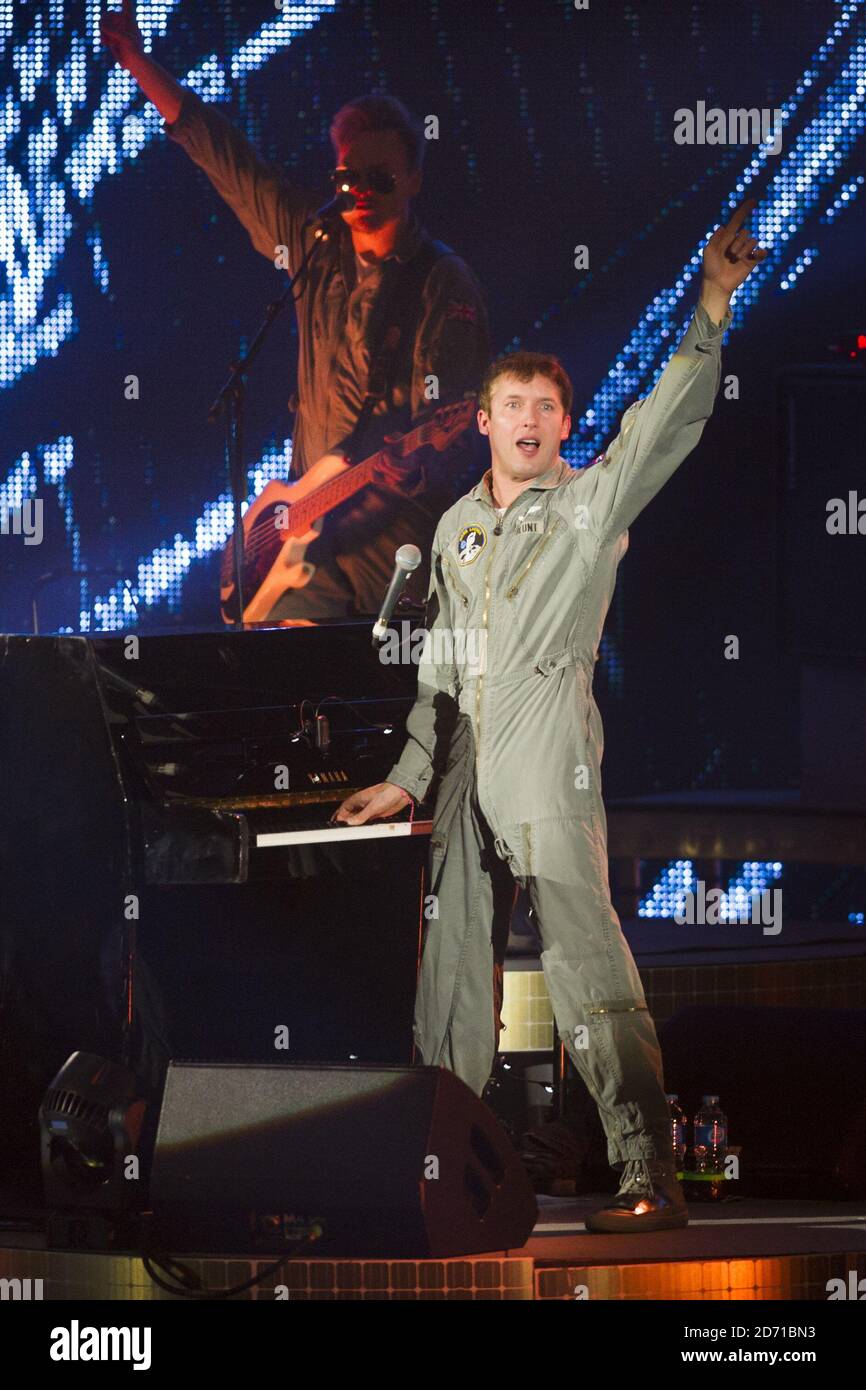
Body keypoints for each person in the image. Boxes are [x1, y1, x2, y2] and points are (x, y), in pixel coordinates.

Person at [333, 199, 767, 1232]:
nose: (527, 418)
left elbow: (660, 426)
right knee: (450, 978)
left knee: (585, 968)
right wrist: (405, 769)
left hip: (548, 764)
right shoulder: (452, 529)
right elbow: (436, 667)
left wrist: (706, 309)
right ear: (480, 418)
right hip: (464, 767)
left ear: (563, 424)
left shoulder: (583, 509)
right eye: (510, 402)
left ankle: (645, 1174)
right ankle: (435, 1174)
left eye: (544, 405)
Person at [101, 1, 490, 621]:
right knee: (274, 679)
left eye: (381, 178)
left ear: (414, 179)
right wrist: (138, 64)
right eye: (348, 176)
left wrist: (411, 460)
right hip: (308, 521)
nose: (361, 190)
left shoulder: (443, 282)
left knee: (357, 693)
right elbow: (224, 155)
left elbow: (454, 430)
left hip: (390, 542)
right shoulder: (313, 243)